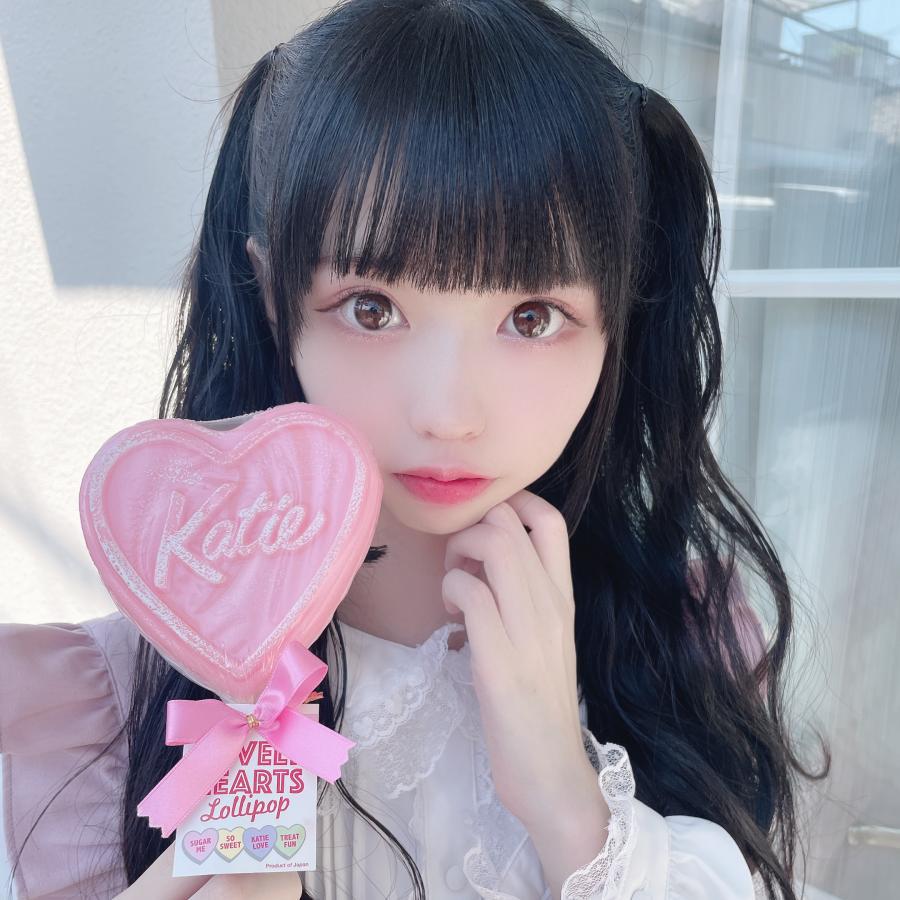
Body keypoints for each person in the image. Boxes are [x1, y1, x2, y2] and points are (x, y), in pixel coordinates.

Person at [0, 0, 830, 898]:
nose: (446, 413)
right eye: (371, 308)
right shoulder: (96, 714)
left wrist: (566, 799)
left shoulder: (685, 643)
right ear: (274, 297)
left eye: (532, 317)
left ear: (618, 320)